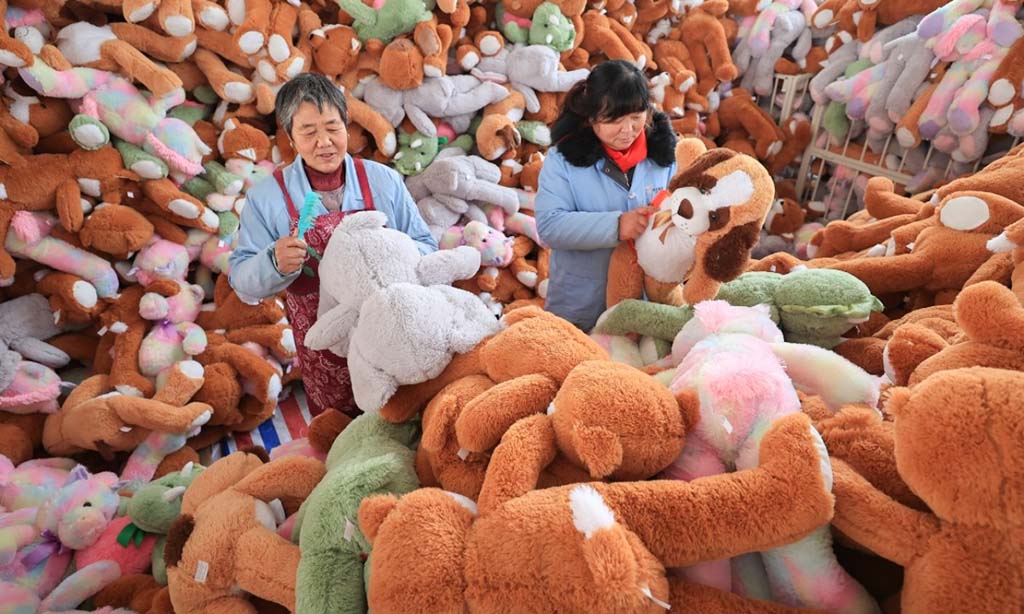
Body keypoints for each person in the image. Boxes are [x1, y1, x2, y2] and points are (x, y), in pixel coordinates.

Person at [229, 72, 437, 419]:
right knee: (337, 432)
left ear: (347, 126)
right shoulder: (266, 198)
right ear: (290, 138)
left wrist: (394, 255)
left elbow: (425, 246)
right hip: (323, 349)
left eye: (332, 127)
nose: (324, 142)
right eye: (309, 132)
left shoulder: (382, 181)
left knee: (402, 419)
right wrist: (273, 262)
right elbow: (242, 279)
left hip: (393, 333)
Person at [535, 60, 679, 331]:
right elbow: (550, 225)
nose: (628, 130)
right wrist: (616, 225)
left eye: (636, 117)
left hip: (646, 302)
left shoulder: (666, 156)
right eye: (614, 120)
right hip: (581, 304)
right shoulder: (563, 160)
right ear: (591, 119)